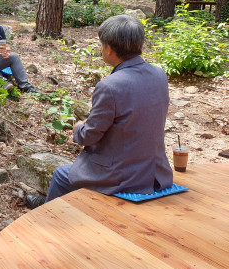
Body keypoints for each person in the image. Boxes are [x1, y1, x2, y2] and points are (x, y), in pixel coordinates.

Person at [25, 15, 173, 209]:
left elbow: (89, 136)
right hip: (155, 171)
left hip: (125, 175)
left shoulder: (110, 86)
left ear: (109, 49)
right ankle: (50, 203)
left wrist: (78, 128)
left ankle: (50, 212)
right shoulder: (159, 74)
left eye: (101, 45)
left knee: (62, 174)